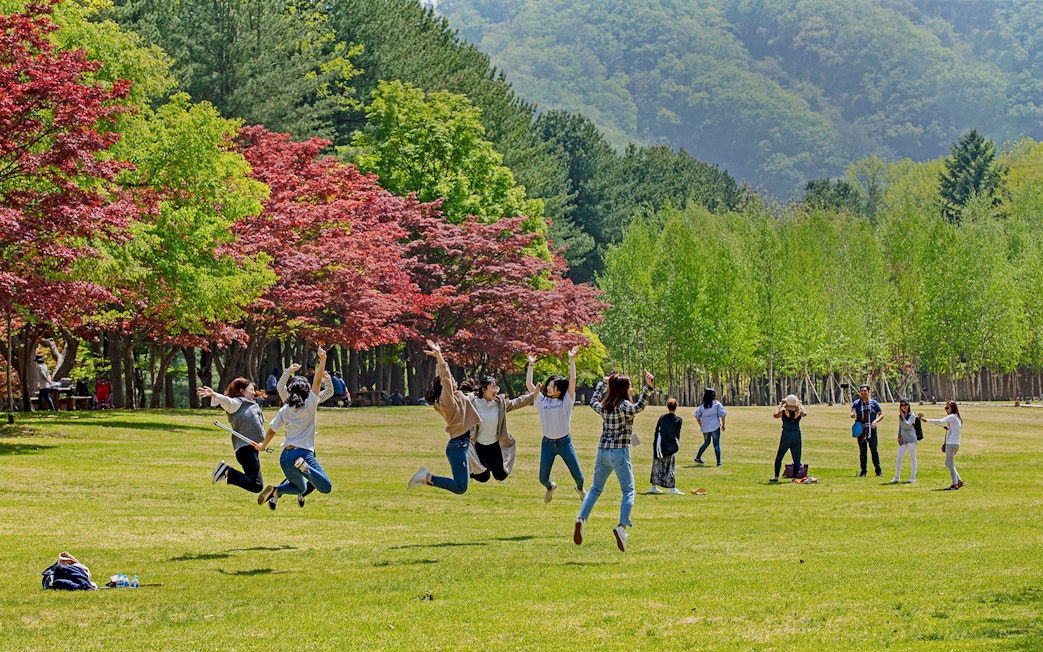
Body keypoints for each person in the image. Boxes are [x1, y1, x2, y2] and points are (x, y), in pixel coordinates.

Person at [574, 369, 655, 553]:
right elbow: (638, 408)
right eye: (630, 386)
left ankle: (581, 518)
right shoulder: (624, 405)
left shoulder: (605, 405)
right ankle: (622, 527)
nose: (631, 389)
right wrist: (648, 389)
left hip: (602, 452)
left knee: (595, 489)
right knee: (628, 491)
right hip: (619, 452)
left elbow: (593, 401)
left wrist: (603, 384)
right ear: (624, 388)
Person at [255, 347, 334, 510]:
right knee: (326, 487)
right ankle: (304, 467)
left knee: (301, 488)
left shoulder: (285, 408)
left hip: (285, 457)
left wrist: (263, 445)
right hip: (303, 453)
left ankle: (276, 490)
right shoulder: (311, 404)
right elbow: (317, 381)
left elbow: (271, 431)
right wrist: (323, 359)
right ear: (307, 392)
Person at [408, 340, 482, 494]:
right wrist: (440, 356)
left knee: (463, 485)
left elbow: (445, 378)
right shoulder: (447, 401)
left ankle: (428, 478)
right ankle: (427, 477)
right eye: (451, 380)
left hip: (461, 444)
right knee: (461, 487)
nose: (454, 380)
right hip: (458, 445)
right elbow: (446, 378)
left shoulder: (453, 397)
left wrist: (438, 359)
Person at [525, 347, 585, 503]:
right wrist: (530, 364)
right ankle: (550, 486)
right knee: (542, 478)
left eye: (553, 386)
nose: (549, 388)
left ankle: (580, 488)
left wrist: (572, 359)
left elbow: (572, 380)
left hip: (565, 442)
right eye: (549, 385)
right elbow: (529, 384)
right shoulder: (542, 400)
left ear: (560, 389)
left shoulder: (566, 401)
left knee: (579, 476)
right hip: (547, 444)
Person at [197, 378, 266, 494]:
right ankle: (226, 470)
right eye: (251, 390)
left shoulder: (252, 404)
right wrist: (214, 394)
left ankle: (227, 471)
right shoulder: (237, 403)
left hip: (252, 448)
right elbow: (227, 401)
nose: (254, 392)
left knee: (256, 484)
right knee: (257, 485)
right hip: (245, 449)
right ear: (241, 390)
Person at [466, 370, 534, 484]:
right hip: (479, 446)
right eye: (493, 387)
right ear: (484, 390)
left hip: (494, 446)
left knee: (501, 475)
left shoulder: (500, 403)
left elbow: (517, 402)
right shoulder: (473, 403)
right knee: (484, 477)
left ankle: (487, 465)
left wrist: (534, 395)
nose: (496, 390)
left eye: (496, 387)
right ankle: (470, 471)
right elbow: (456, 402)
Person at [923, 400, 964, 490]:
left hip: (951, 444)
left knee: (950, 464)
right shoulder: (957, 418)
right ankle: (959, 481)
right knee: (948, 463)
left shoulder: (952, 416)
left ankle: (955, 484)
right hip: (956, 444)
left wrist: (927, 420)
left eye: (947, 408)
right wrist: (948, 428)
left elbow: (941, 421)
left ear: (952, 408)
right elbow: (954, 428)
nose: (946, 409)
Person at [650, 398, 683, 494]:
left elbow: (657, 431)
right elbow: (676, 434)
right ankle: (672, 488)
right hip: (670, 445)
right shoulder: (678, 420)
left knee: (656, 465)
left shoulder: (662, 417)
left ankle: (654, 486)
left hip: (659, 445)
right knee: (670, 466)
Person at [770, 394, 806, 482]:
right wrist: (800, 404)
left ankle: (776, 476)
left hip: (786, 434)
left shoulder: (783, 412)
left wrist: (779, 406)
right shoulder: (799, 412)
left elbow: (775, 415)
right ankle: (794, 477)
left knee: (779, 456)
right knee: (797, 458)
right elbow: (805, 413)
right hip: (796, 434)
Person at [850, 384, 884, 477]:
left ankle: (878, 471)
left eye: (865, 391)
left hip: (871, 430)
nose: (863, 393)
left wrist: (876, 421)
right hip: (861, 431)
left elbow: (881, 414)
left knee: (874, 451)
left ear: (868, 392)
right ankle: (863, 471)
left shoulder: (874, 403)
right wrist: (852, 414)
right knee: (863, 452)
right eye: (862, 391)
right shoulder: (856, 403)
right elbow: (853, 412)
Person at [694, 387, 726, 466]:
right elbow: (722, 414)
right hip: (715, 426)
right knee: (716, 444)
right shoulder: (716, 404)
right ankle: (718, 462)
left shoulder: (702, 406)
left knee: (706, 442)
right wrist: (723, 425)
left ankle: (698, 457)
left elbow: (697, 416)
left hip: (705, 427)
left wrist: (701, 425)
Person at [892, 398, 920, 483]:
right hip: (903, 439)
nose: (904, 407)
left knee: (912, 458)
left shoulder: (912, 415)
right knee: (899, 457)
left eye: (905, 405)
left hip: (911, 438)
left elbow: (907, 425)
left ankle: (912, 476)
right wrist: (898, 436)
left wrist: (903, 416)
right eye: (902, 405)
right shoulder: (900, 416)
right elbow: (900, 427)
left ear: (908, 406)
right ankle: (897, 477)